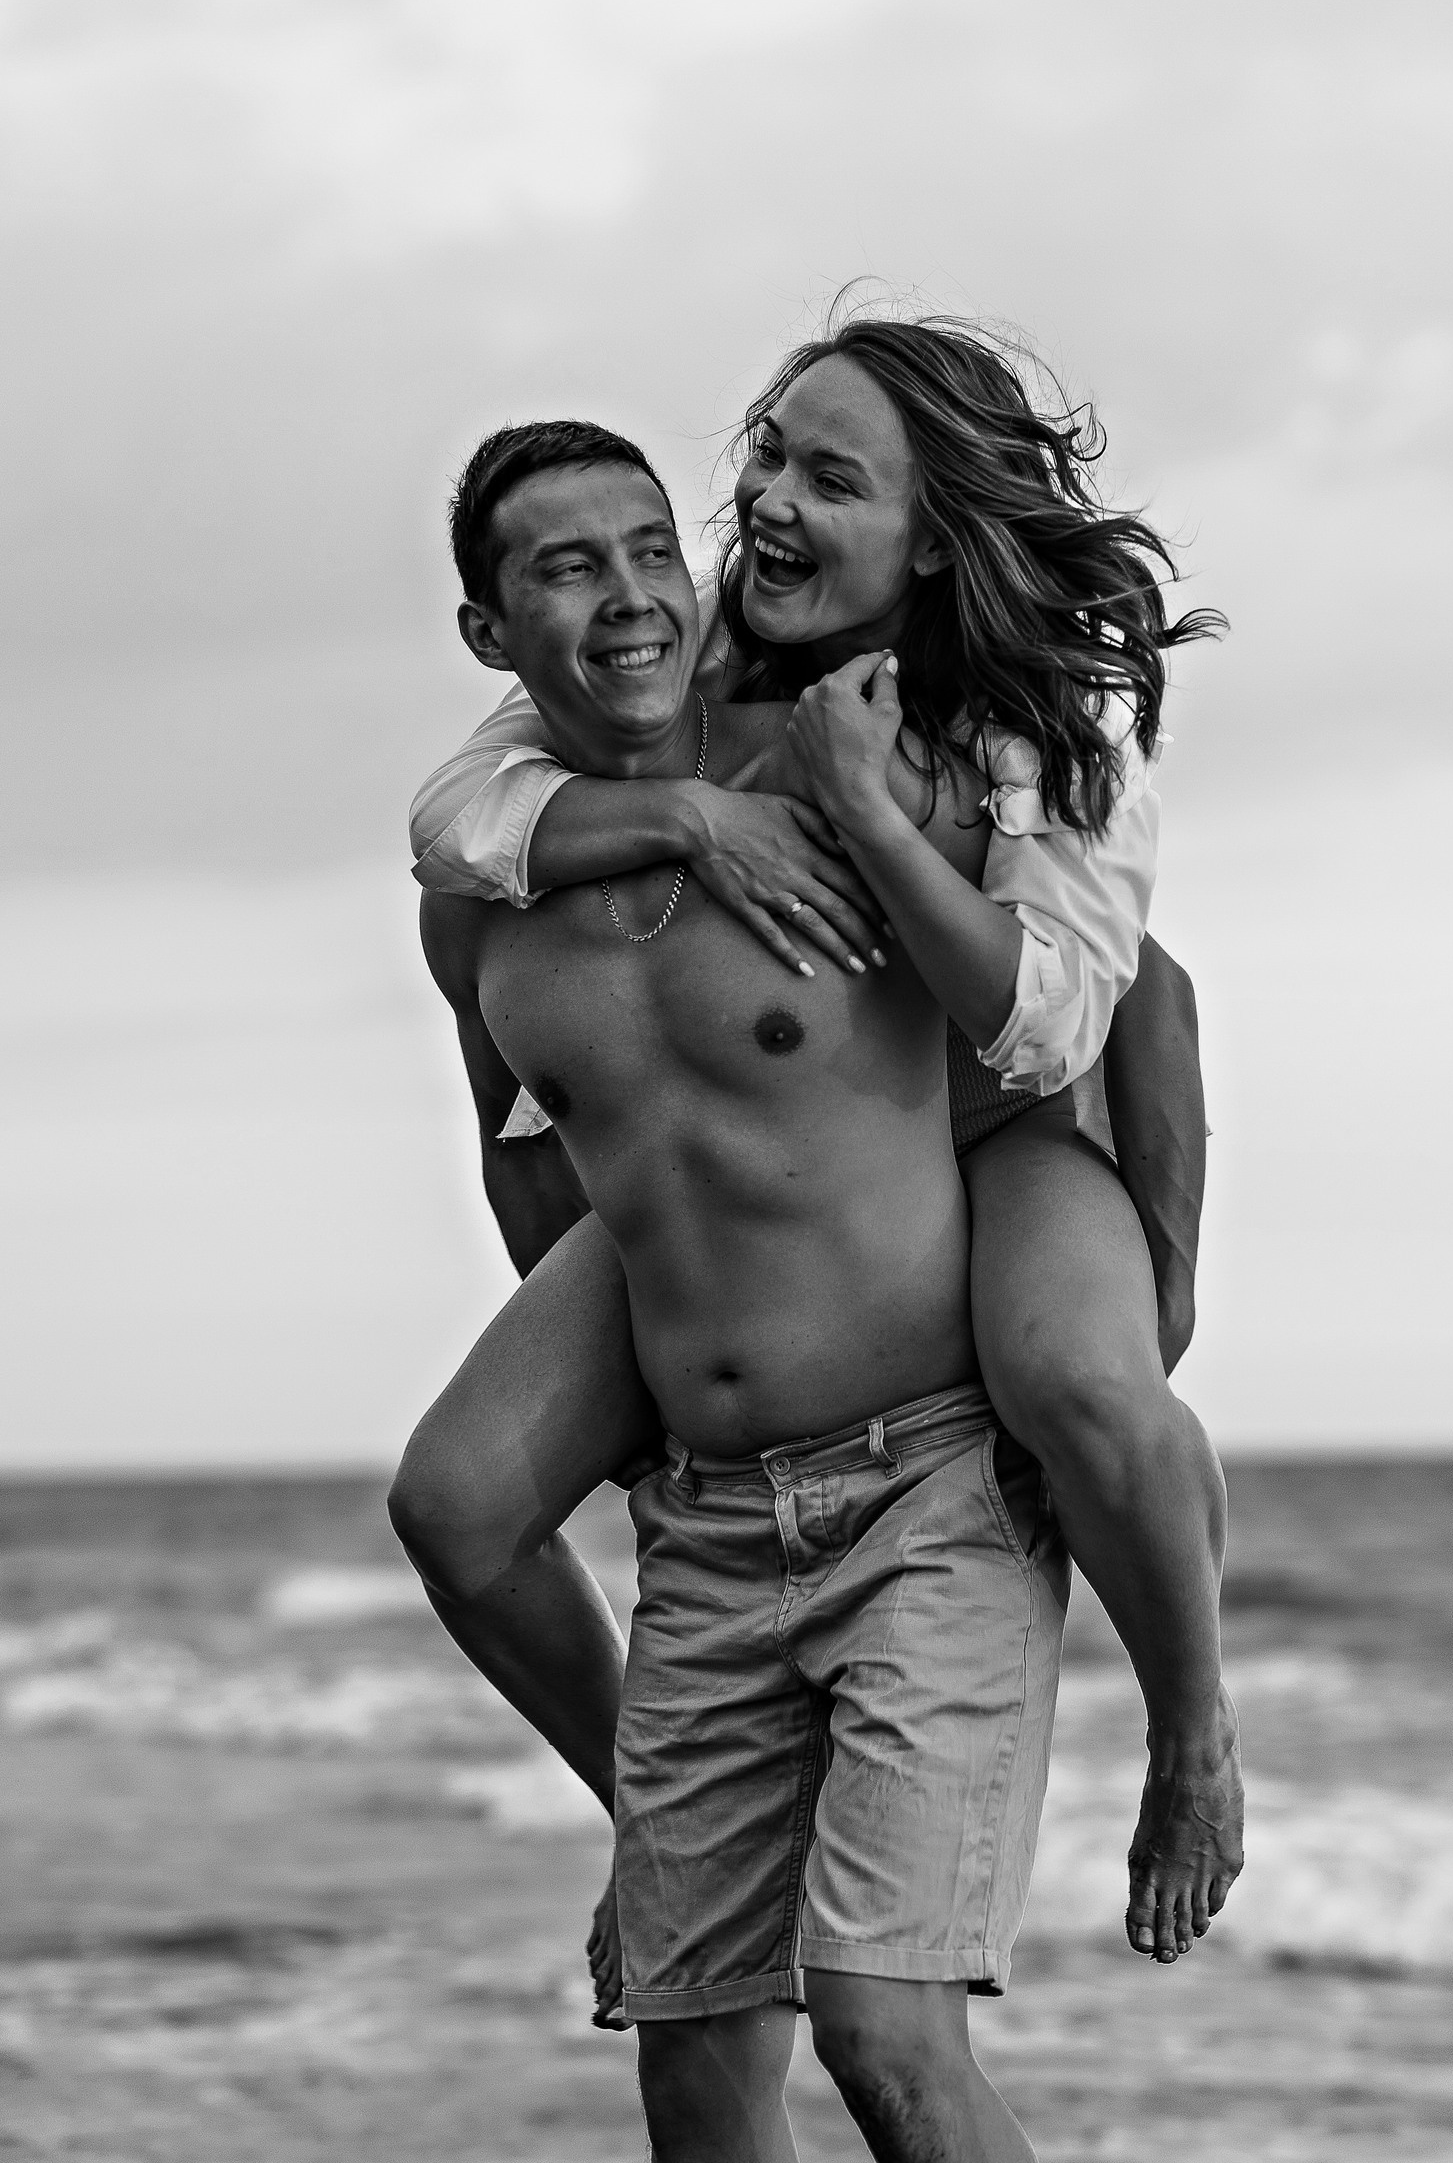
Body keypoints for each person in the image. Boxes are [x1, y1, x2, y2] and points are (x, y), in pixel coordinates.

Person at [392, 322, 1242, 2007]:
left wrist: (1167, 1257)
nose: (767, 501)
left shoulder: (1032, 724)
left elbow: (1105, 1009)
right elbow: (462, 823)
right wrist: (692, 815)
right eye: (769, 454)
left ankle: (1196, 1740)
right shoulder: (698, 645)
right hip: (787, 1151)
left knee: (1081, 1383)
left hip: (1019, 1119)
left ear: (927, 535)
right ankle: (667, 1821)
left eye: (829, 476)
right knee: (456, 1499)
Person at [420, 431, 1071, 2157]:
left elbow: (1111, 982)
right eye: (568, 569)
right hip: (707, 1527)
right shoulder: (478, 899)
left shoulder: (843, 773)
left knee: (888, 2045)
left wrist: (1133, 1291)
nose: (631, 598)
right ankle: (657, 1813)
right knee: (696, 2074)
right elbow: (522, 1152)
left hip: (922, 1478)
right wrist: (632, 1429)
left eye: (653, 551)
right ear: (490, 633)